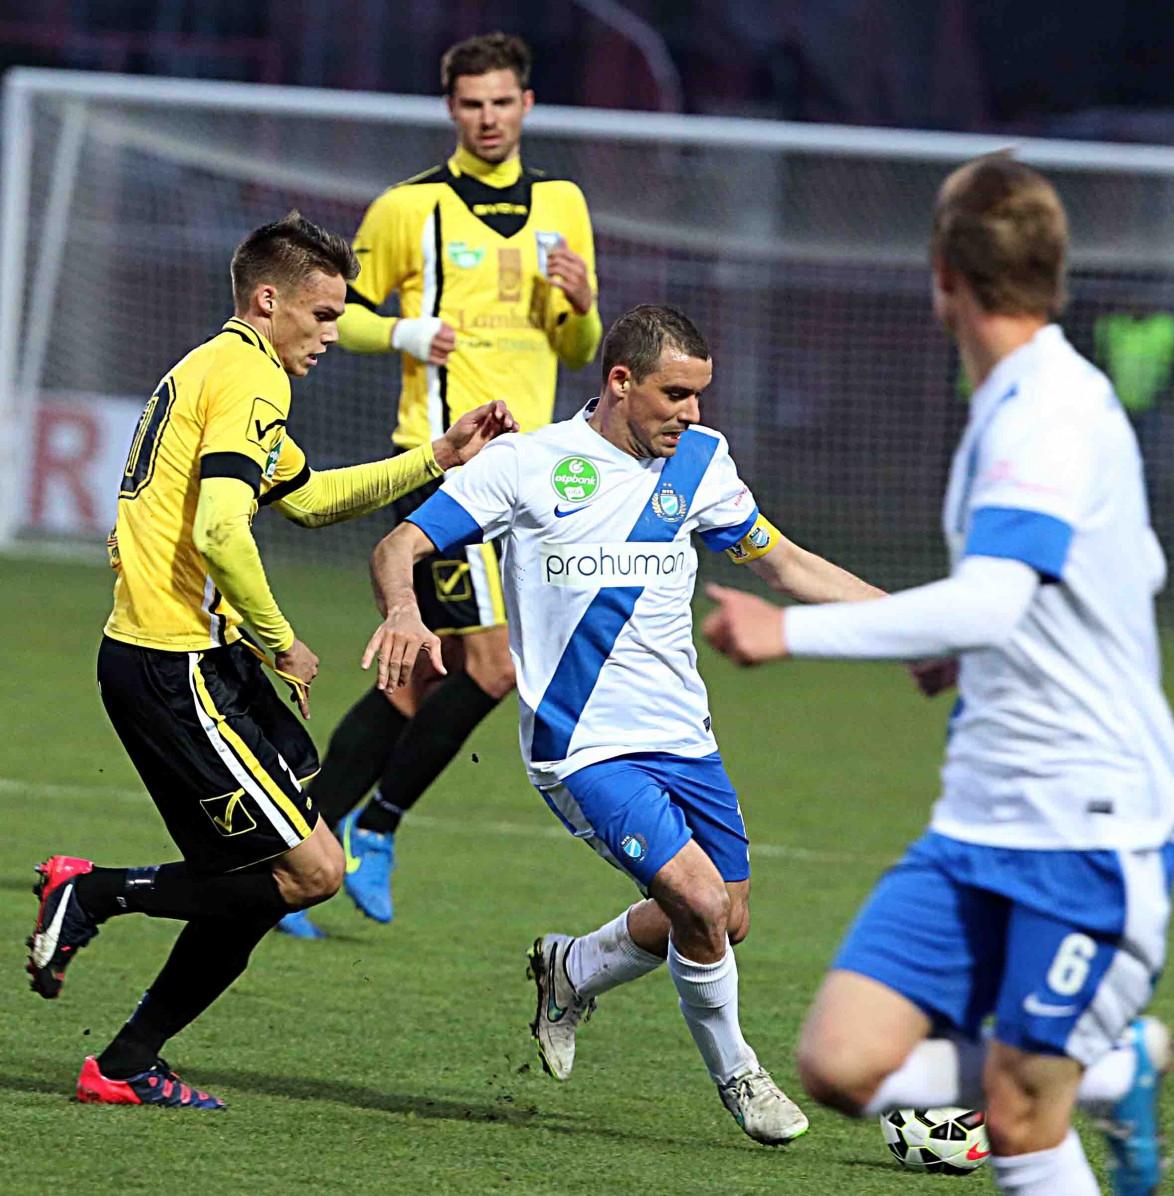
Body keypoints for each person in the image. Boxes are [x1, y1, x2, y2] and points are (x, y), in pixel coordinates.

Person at [703, 155, 1174, 1196]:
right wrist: (973, 640)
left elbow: (993, 598)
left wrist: (790, 631)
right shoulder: (1020, 399)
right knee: (841, 1062)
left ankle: (1077, 1074)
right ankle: (1110, 1068)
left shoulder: (1046, 411)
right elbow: (1115, 573)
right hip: (979, 817)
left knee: (1017, 1116)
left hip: (1087, 821)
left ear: (944, 277)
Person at [361, 305, 883, 1143]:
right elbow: (400, 548)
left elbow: (785, 564)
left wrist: (913, 621)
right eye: (675, 395)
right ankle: (742, 1079)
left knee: (725, 917)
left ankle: (571, 967)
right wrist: (402, 610)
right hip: (581, 744)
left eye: (700, 395)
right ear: (620, 381)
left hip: (684, 736)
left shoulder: (701, 462)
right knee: (699, 902)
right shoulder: (529, 464)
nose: (691, 413)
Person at [25, 212, 514, 1108]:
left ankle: (127, 1060)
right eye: (322, 315)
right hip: (175, 668)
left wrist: (439, 456)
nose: (330, 335)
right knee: (311, 872)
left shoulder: (217, 368)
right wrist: (280, 636)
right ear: (267, 300)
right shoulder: (251, 378)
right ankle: (92, 895)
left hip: (199, 665)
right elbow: (221, 528)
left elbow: (312, 499)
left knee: (272, 879)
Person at [285, 31, 604, 938]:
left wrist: (583, 303)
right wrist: (403, 332)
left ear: (527, 104)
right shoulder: (407, 207)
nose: (488, 118)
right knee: (494, 667)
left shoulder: (563, 204)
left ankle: (295, 848)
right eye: (472, 103)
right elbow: (332, 312)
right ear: (451, 109)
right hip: (446, 468)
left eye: (502, 101)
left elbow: (578, 348)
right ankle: (375, 829)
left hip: (530, 477)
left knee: (416, 678)